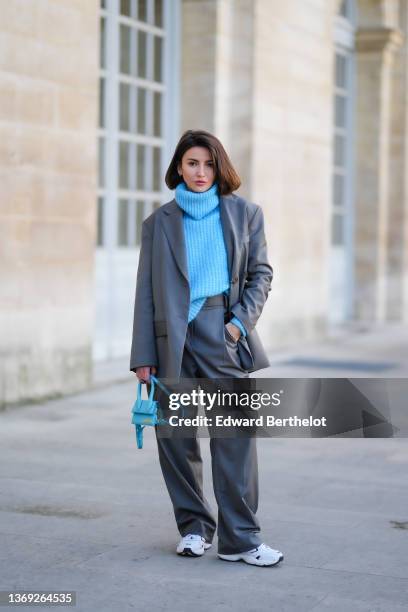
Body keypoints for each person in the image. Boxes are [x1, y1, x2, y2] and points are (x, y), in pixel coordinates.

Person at [130, 129, 283, 567]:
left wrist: (236, 326)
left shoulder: (245, 214)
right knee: (176, 440)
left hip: (223, 333)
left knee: (234, 439)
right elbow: (145, 291)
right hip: (169, 342)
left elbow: (262, 275)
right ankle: (195, 528)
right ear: (179, 167)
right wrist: (143, 356)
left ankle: (242, 540)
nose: (200, 172)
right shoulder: (158, 223)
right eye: (192, 163)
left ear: (220, 167)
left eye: (208, 164)